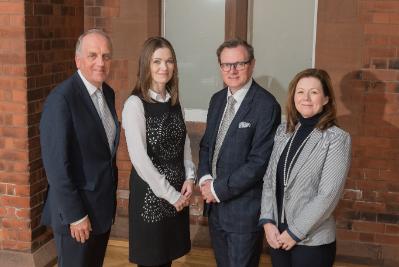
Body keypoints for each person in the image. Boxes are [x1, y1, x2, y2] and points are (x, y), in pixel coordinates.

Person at [198, 38, 281, 267]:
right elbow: (206, 146)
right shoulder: (217, 100)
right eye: (226, 65)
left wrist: (216, 189)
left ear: (252, 64)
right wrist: (205, 179)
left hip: (243, 212)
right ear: (220, 67)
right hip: (215, 208)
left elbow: (259, 163)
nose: (232, 70)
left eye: (239, 64)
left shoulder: (266, 105)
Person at [40, 29, 119, 267]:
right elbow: (56, 167)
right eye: (93, 55)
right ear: (78, 60)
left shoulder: (108, 93)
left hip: (101, 208)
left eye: (106, 56)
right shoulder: (62, 99)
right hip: (76, 215)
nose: (100, 62)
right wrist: (76, 215)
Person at [259, 68, 352, 267]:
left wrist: (294, 233)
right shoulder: (283, 131)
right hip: (277, 235)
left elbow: (328, 195)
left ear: (326, 99)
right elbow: (269, 180)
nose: (306, 98)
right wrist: (267, 221)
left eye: (314, 92)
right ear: (293, 97)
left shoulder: (336, 138)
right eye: (300, 92)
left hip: (311, 240)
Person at [122, 36, 194, 267]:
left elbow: (185, 144)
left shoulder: (175, 102)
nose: (164, 67)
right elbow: (140, 160)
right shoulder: (134, 104)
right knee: (152, 261)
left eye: (169, 61)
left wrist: (190, 177)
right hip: (151, 196)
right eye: (157, 61)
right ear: (146, 65)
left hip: (177, 193)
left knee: (167, 260)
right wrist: (171, 195)